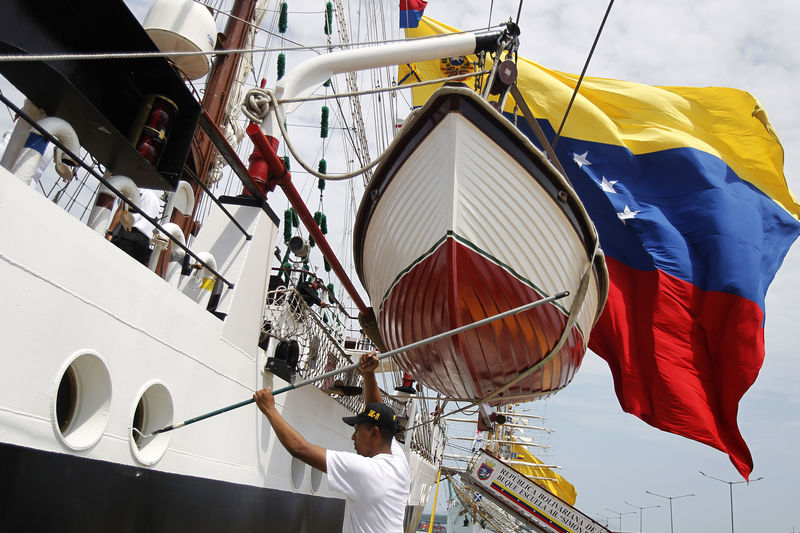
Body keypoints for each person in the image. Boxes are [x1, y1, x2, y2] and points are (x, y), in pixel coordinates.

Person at [254, 352, 410, 533]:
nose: (353, 437)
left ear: (374, 433)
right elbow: (378, 413)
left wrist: (270, 410)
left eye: (357, 430)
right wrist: (368, 374)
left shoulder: (365, 470)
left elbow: (299, 449)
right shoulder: (399, 464)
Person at [106, 188, 161, 265]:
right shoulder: (155, 200)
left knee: (115, 264)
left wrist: (109, 233)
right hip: (144, 243)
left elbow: (121, 211)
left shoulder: (134, 190)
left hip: (128, 235)